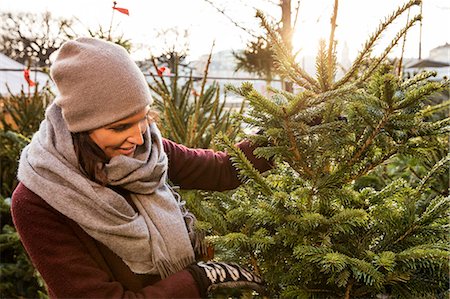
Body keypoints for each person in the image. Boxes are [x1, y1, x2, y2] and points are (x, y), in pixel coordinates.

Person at [11, 37, 271, 298]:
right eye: (119, 127)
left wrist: (284, 131)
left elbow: (223, 169)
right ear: (81, 127)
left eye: (144, 118)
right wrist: (198, 279)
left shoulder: (149, 151)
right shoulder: (37, 201)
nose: (137, 137)